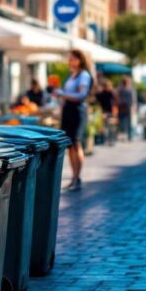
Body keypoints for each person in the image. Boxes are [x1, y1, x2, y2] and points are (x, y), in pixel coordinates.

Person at [58, 49, 94, 191]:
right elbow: (67, 94)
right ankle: (73, 177)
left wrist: (63, 94)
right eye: (69, 58)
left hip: (78, 110)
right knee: (69, 144)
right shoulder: (71, 75)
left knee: (76, 142)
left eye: (72, 59)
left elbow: (82, 95)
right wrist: (59, 94)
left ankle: (77, 177)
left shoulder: (84, 75)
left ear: (80, 59)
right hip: (68, 110)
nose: (70, 61)